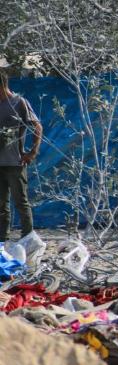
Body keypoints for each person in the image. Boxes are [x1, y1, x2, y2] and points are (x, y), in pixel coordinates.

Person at [0, 69, 41, 242]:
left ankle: (28, 241)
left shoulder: (19, 103)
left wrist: (32, 152)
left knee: (21, 204)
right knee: (1, 206)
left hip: (15, 163)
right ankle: (2, 242)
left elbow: (37, 127)